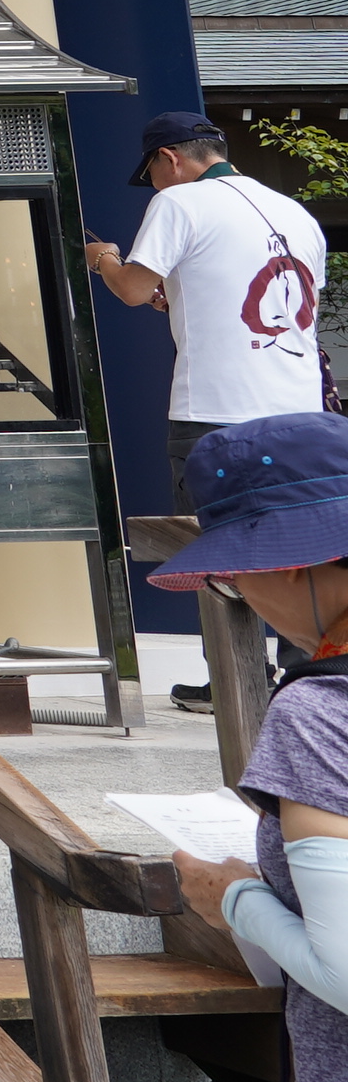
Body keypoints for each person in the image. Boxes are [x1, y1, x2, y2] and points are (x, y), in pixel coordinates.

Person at [157, 413, 348, 1082]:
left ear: (293, 563)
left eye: (236, 579)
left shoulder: (319, 713)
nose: (246, 599)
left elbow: (345, 970)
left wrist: (229, 895)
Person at [91, 107, 330, 715]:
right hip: (301, 416)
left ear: (169, 158)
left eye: (151, 173)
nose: (153, 185)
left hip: (216, 413)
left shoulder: (178, 202)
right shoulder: (294, 212)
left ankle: (233, 681)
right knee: (301, 548)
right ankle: (308, 676)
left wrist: (103, 258)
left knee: (220, 553)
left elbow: (132, 289)